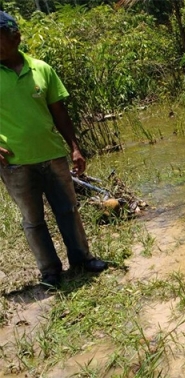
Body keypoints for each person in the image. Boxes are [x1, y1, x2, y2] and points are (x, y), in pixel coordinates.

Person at [0, 11, 107, 288]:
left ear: (16, 37)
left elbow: (59, 113)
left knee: (68, 210)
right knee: (33, 220)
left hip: (52, 154)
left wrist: (75, 148)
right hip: (15, 162)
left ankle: (82, 259)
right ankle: (50, 272)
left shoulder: (42, 69)